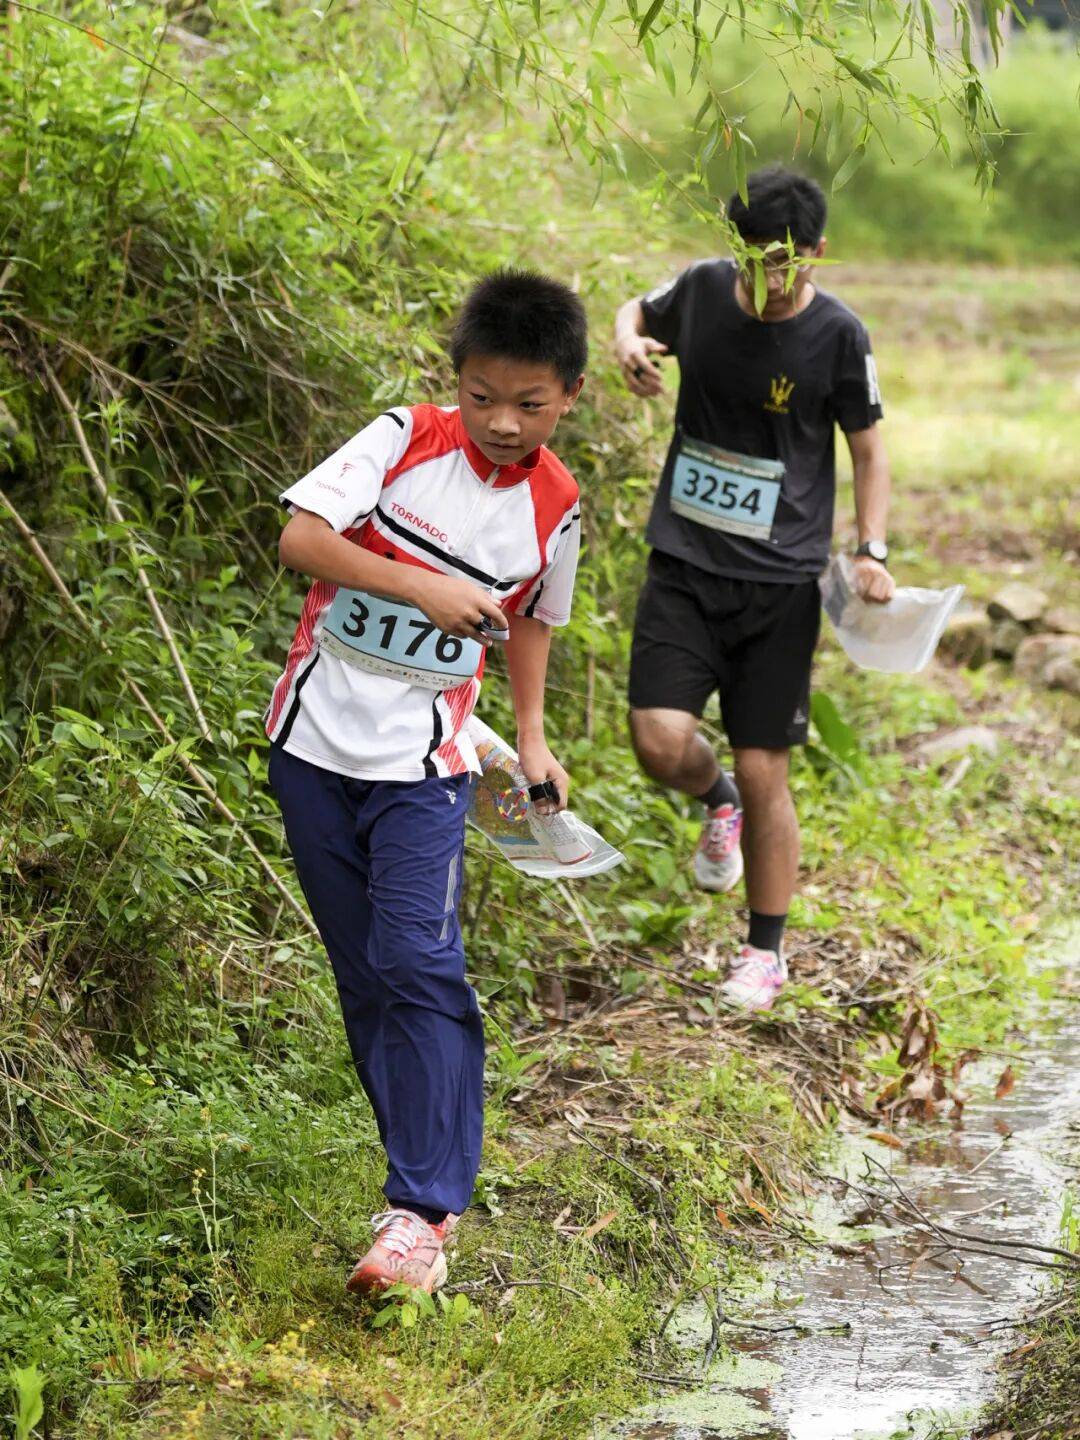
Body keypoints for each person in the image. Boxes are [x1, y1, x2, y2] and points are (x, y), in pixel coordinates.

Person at [266, 270, 586, 1295]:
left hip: (427, 767)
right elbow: (300, 538)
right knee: (365, 974)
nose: (502, 421)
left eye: (528, 404)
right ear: (458, 383)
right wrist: (422, 584)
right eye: (483, 395)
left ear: (568, 398)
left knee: (418, 956)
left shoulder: (558, 501)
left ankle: (422, 1210)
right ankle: (410, 1201)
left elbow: (532, 613)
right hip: (311, 748)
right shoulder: (402, 438)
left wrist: (531, 738)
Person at [614, 165, 894, 1012]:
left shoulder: (840, 335)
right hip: (685, 565)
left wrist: (873, 547)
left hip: (779, 584)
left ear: (817, 253)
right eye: (753, 260)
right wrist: (626, 340)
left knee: (766, 765)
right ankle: (716, 800)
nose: (768, 280)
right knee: (660, 742)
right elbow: (638, 305)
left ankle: (764, 952)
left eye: (786, 263)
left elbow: (869, 448)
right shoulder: (701, 290)